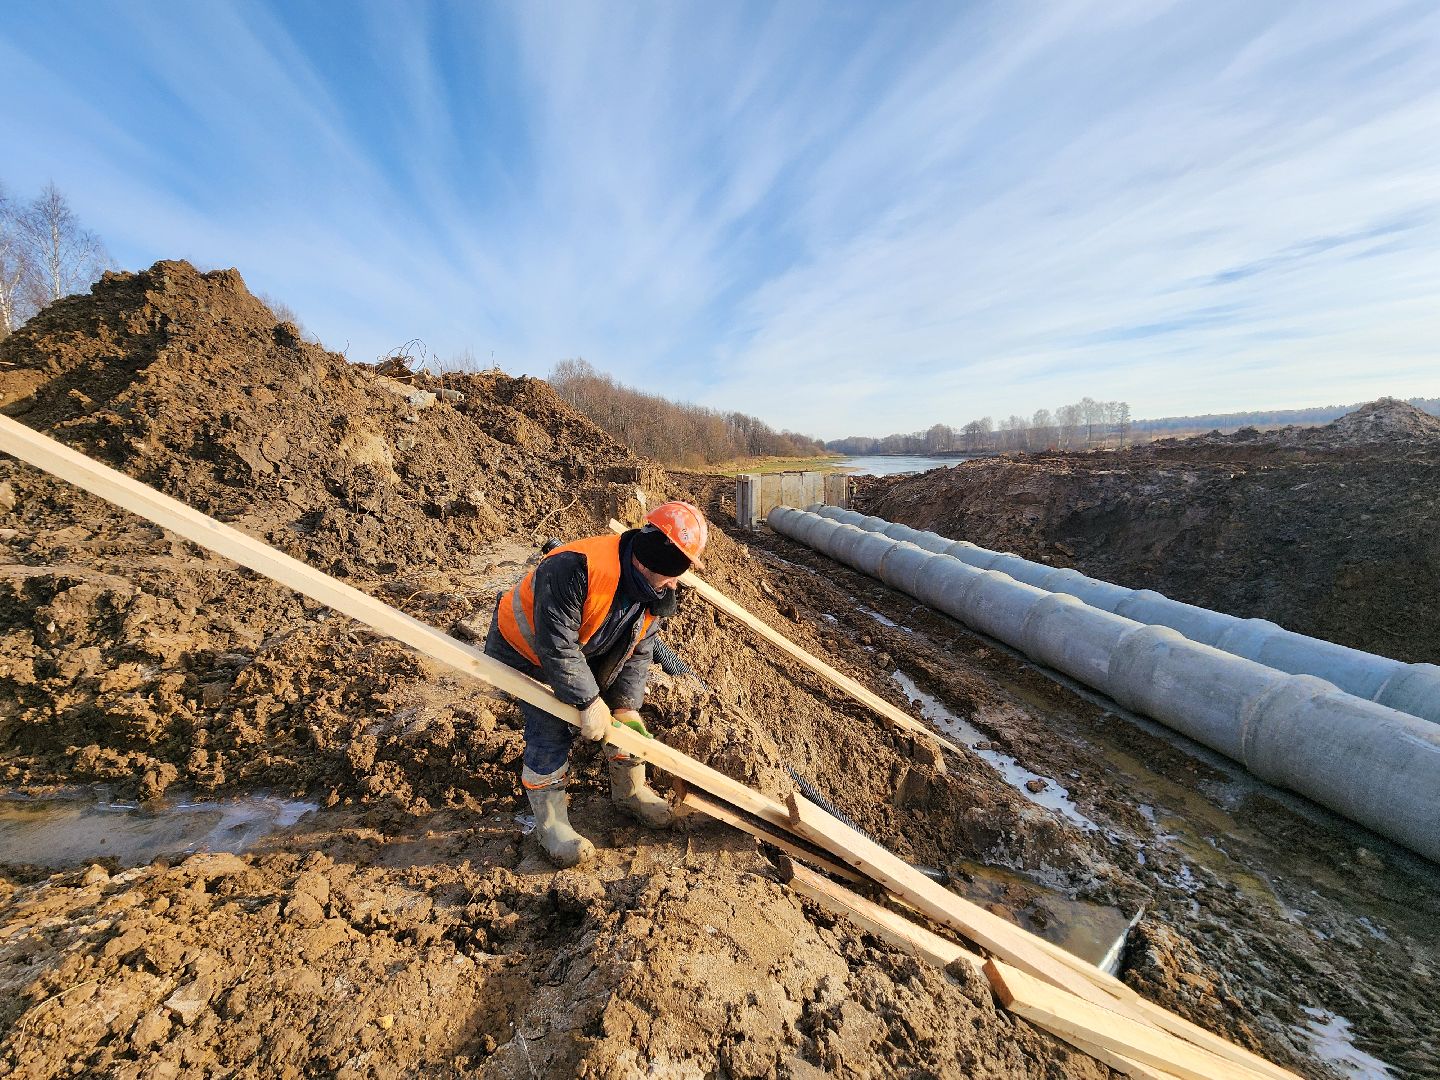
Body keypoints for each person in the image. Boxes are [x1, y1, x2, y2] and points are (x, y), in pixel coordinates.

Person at [484, 501, 709, 867]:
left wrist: (625, 707)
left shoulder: (654, 592)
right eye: (674, 571)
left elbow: (637, 653)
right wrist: (588, 701)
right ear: (651, 560)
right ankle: (551, 824)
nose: (676, 582)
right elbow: (556, 646)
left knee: (625, 721)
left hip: (579, 648)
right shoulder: (575, 567)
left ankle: (630, 792)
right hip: (524, 650)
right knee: (552, 721)